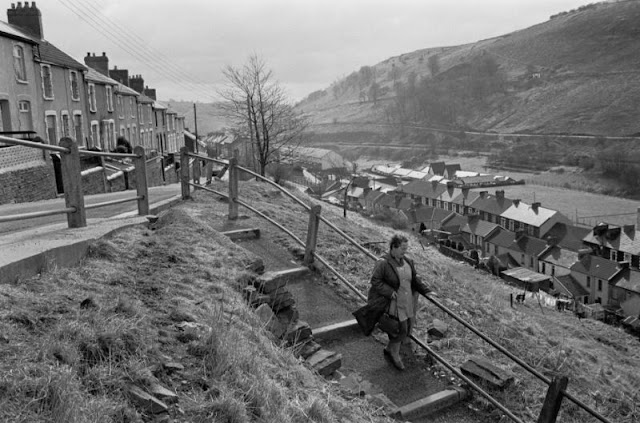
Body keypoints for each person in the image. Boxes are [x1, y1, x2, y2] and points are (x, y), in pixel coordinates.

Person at [356, 234, 433, 371]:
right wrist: (389, 292)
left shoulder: (408, 261)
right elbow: (375, 281)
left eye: (406, 248)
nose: (405, 251)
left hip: (406, 301)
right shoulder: (383, 263)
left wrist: (426, 291)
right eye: (403, 248)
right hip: (392, 303)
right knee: (400, 329)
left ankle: (389, 348)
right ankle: (395, 354)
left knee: (406, 327)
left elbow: (414, 279)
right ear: (393, 247)